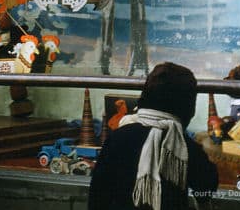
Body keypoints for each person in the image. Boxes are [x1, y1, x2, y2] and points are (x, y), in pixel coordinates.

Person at [88, 62, 218, 210]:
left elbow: (98, 192)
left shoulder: (118, 137)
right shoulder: (185, 146)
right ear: (187, 106)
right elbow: (207, 188)